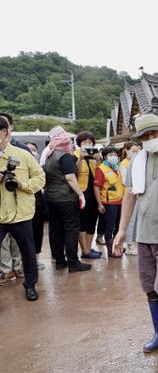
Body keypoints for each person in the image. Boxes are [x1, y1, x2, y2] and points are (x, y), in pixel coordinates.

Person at [113, 114, 158, 354]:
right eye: (145, 136)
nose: (150, 139)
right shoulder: (136, 161)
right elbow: (129, 195)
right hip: (143, 234)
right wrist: (122, 230)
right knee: (149, 286)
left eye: (154, 134)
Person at [0, 116, 46, 301]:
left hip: (21, 214)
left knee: (28, 252)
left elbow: (41, 179)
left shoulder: (23, 154)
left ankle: (30, 285)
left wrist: (22, 183)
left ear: (4, 132)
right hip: (0, 215)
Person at [42, 126, 92, 275]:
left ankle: (59, 260)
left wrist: (80, 159)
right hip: (66, 198)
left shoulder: (50, 155)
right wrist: (80, 194)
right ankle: (73, 263)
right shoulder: (64, 156)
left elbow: (70, 170)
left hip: (50, 198)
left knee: (56, 229)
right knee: (71, 229)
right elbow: (70, 177)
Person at [74, 132, 103, 259]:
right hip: (82, 192)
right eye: (84, 142)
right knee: (83, 221)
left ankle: (89, 248)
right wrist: (80, 158)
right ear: (79, 144)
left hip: (94, 193)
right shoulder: (74, 155)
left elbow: (101, 172)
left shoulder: (94, 155)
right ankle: (84, 250)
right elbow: (75, 172)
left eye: (90, 142)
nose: (87, 145)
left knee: (92, 221)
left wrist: (98, 159)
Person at [94, 146, 124, 258]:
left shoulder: (117, 168)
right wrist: (100, 204)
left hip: (119, 202)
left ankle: (117, 247)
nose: (114, 157)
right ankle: (111, 250)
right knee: (109, 227)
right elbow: (96, 187)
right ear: (105, 157)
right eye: (111, 155)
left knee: (118, 227)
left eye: (115, 154)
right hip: (109, 203)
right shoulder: (101, 169)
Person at [25, 142, 47, 269]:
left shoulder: (39, 167)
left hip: (37, 204)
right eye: (29, 150)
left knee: (37, 232)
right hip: (22, 205)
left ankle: (36, 260)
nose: (32, 152)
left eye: (34, 150)